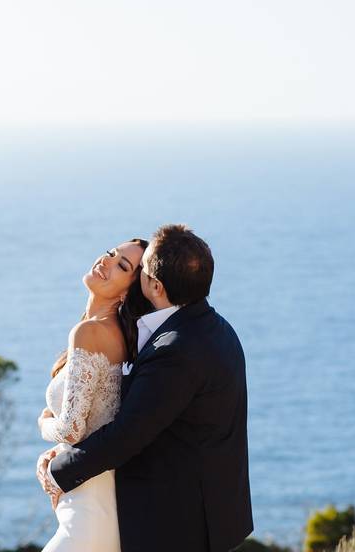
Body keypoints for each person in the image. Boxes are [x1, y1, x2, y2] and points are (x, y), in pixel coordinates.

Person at [37, 224, 253, 552]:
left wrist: (57, 471)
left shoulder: (175, 349)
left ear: (153, 285)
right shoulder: (216, 328)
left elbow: (127, 436)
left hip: (179, 523)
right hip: (207, 512)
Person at [37, 238, 153, 552]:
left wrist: (44, 423)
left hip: (89, 509)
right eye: (111, 253)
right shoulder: (117, 335)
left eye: (122, 266)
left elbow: (72, 429)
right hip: (101, 499)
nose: (106, 261)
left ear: (129, 291)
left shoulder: (90, 333)